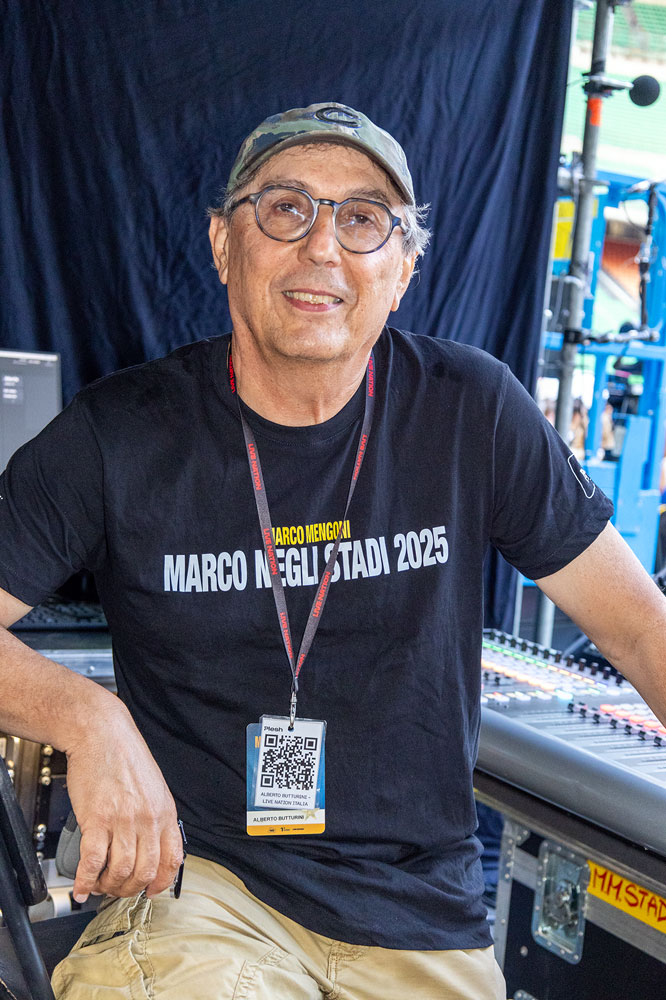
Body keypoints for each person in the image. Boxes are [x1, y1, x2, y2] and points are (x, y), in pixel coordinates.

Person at [1, 102, 665, 1000]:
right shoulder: (119, 431)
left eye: (362, 220)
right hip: (208, 892)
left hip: (422, 920)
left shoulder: (472, 410)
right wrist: (89, 718)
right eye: (286, 208)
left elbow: (640, 631)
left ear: (403, 271)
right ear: (223, 245)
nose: (322, 247)